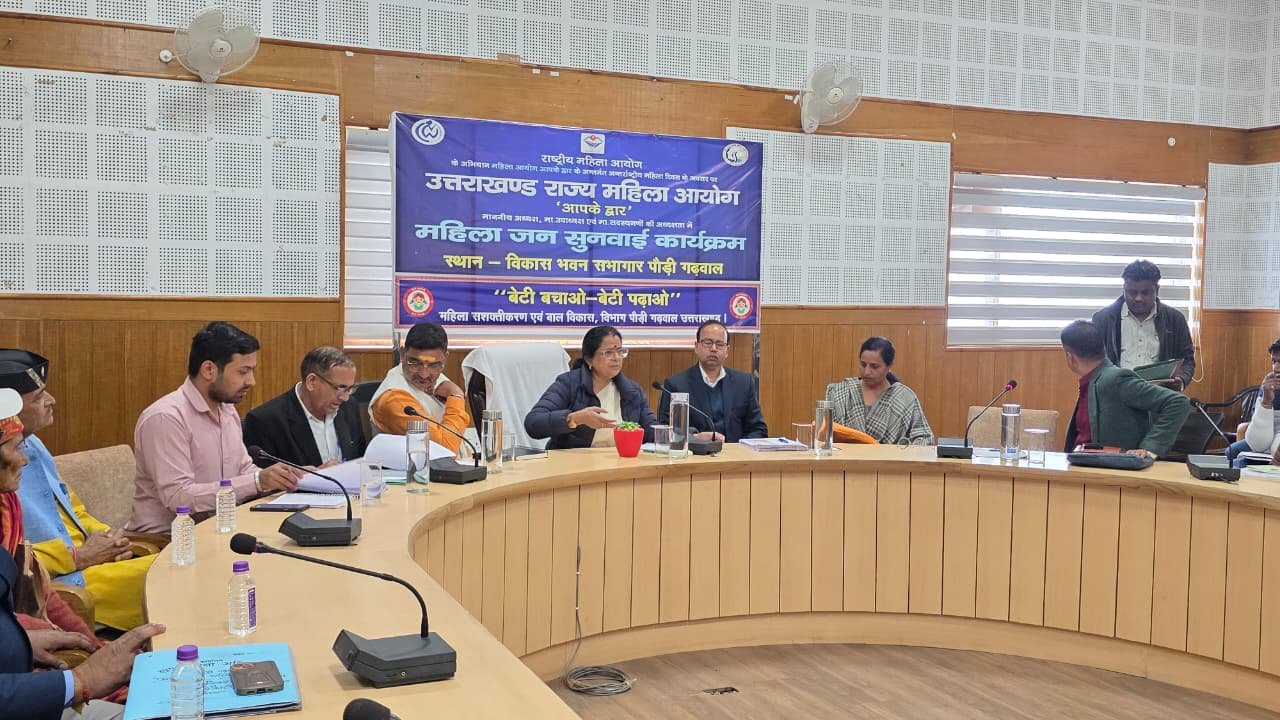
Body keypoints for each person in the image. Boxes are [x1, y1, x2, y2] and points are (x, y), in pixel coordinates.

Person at [0, 387, 166, 720]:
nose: (24, 459)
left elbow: (36, 582)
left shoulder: (8, 503)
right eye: (14, 448)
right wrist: (81, 680)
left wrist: (30, 642)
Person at [0, 350, 156, 631]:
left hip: (89, 564)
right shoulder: (6, 472)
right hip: (59, 582)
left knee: (179, 566)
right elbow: (16, 561)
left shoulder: (34, 444)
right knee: (170, 574)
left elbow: (72, 508)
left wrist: (110, 541)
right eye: (38, 398)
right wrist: (82, 556)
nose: (51, 401)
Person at [128, 322, 302, 534]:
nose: (251, 381)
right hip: (169, 541)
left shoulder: (226, 410)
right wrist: (258, 481)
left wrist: (287, 476)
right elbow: (178, 497)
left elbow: (244, 470)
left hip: (219, 530)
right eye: (243, 372)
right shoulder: (166, 418)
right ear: (209, 370)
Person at [1060, 320, 1189, 458]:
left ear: (1070, 357)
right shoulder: (1092, 380)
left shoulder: (1116, 379)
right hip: (1082, 463)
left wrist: (1149, 449)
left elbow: (1178, 402)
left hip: (1109, 468)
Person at [525, 326, 657, 449]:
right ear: (589, 359)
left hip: (619, 462)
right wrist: (575, 418)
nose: (616, 358)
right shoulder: (569, 384)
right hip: (573, 463)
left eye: (620, 351)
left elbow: (652, 432)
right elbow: (533, 423)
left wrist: (667, 432)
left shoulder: (632, 391)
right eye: (608, 353)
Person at [243, 346, 367, 468]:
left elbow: (360, 460)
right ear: (312, 382)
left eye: (350, 389)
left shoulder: (350, 407)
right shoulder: (266, 421)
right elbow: (263, 478)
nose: (345, 397)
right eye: (340, 388)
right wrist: (315, 475)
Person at [1091, 259, 1195, 391]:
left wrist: (1181, 379)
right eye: (1132, 292)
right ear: (1124, 289)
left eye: (1145, 293)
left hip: (1160, 394)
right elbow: (1092, 361)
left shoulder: (1174, 319)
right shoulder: (1103, 319)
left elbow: (1187, 360)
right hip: (1115, 393)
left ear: (1156, 290)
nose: (1138, 298)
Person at [657, 320, 767, 443]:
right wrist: (694, 438)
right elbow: (666, 431)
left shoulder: (743, 383)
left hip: (734, 453)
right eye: (708, 343)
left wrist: (738, 448)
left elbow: (758, 429)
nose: (714, 349)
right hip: (695, 453)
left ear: (727, 350)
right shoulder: (676, 385)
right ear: (696, 347)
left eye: (720, 344)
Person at [369, 323, 470, 452]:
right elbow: (445, 449)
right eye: (414, 363)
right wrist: (456, 396)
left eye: (434, 365)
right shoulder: (394, 399)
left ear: (445, 358)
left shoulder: (438, 378)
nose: (424, 375)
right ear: (402, 354)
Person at [824, 337, 933, 446]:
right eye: (863, 365)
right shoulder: (840, 391)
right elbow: (825, 433)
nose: (867, 372)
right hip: (845, 456)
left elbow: (925, 439)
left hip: (890, 456)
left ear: (889, 366)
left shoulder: (905, 398)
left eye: (874, 366)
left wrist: (901, 451)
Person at [1226, 338, 1280, 467]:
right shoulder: (1269, 384)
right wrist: (1266, 402)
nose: (1276, 368)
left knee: (1238, 465)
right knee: (1231, 451)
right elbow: (1257, 442)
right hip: (1268, 437)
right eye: (1274, 362)